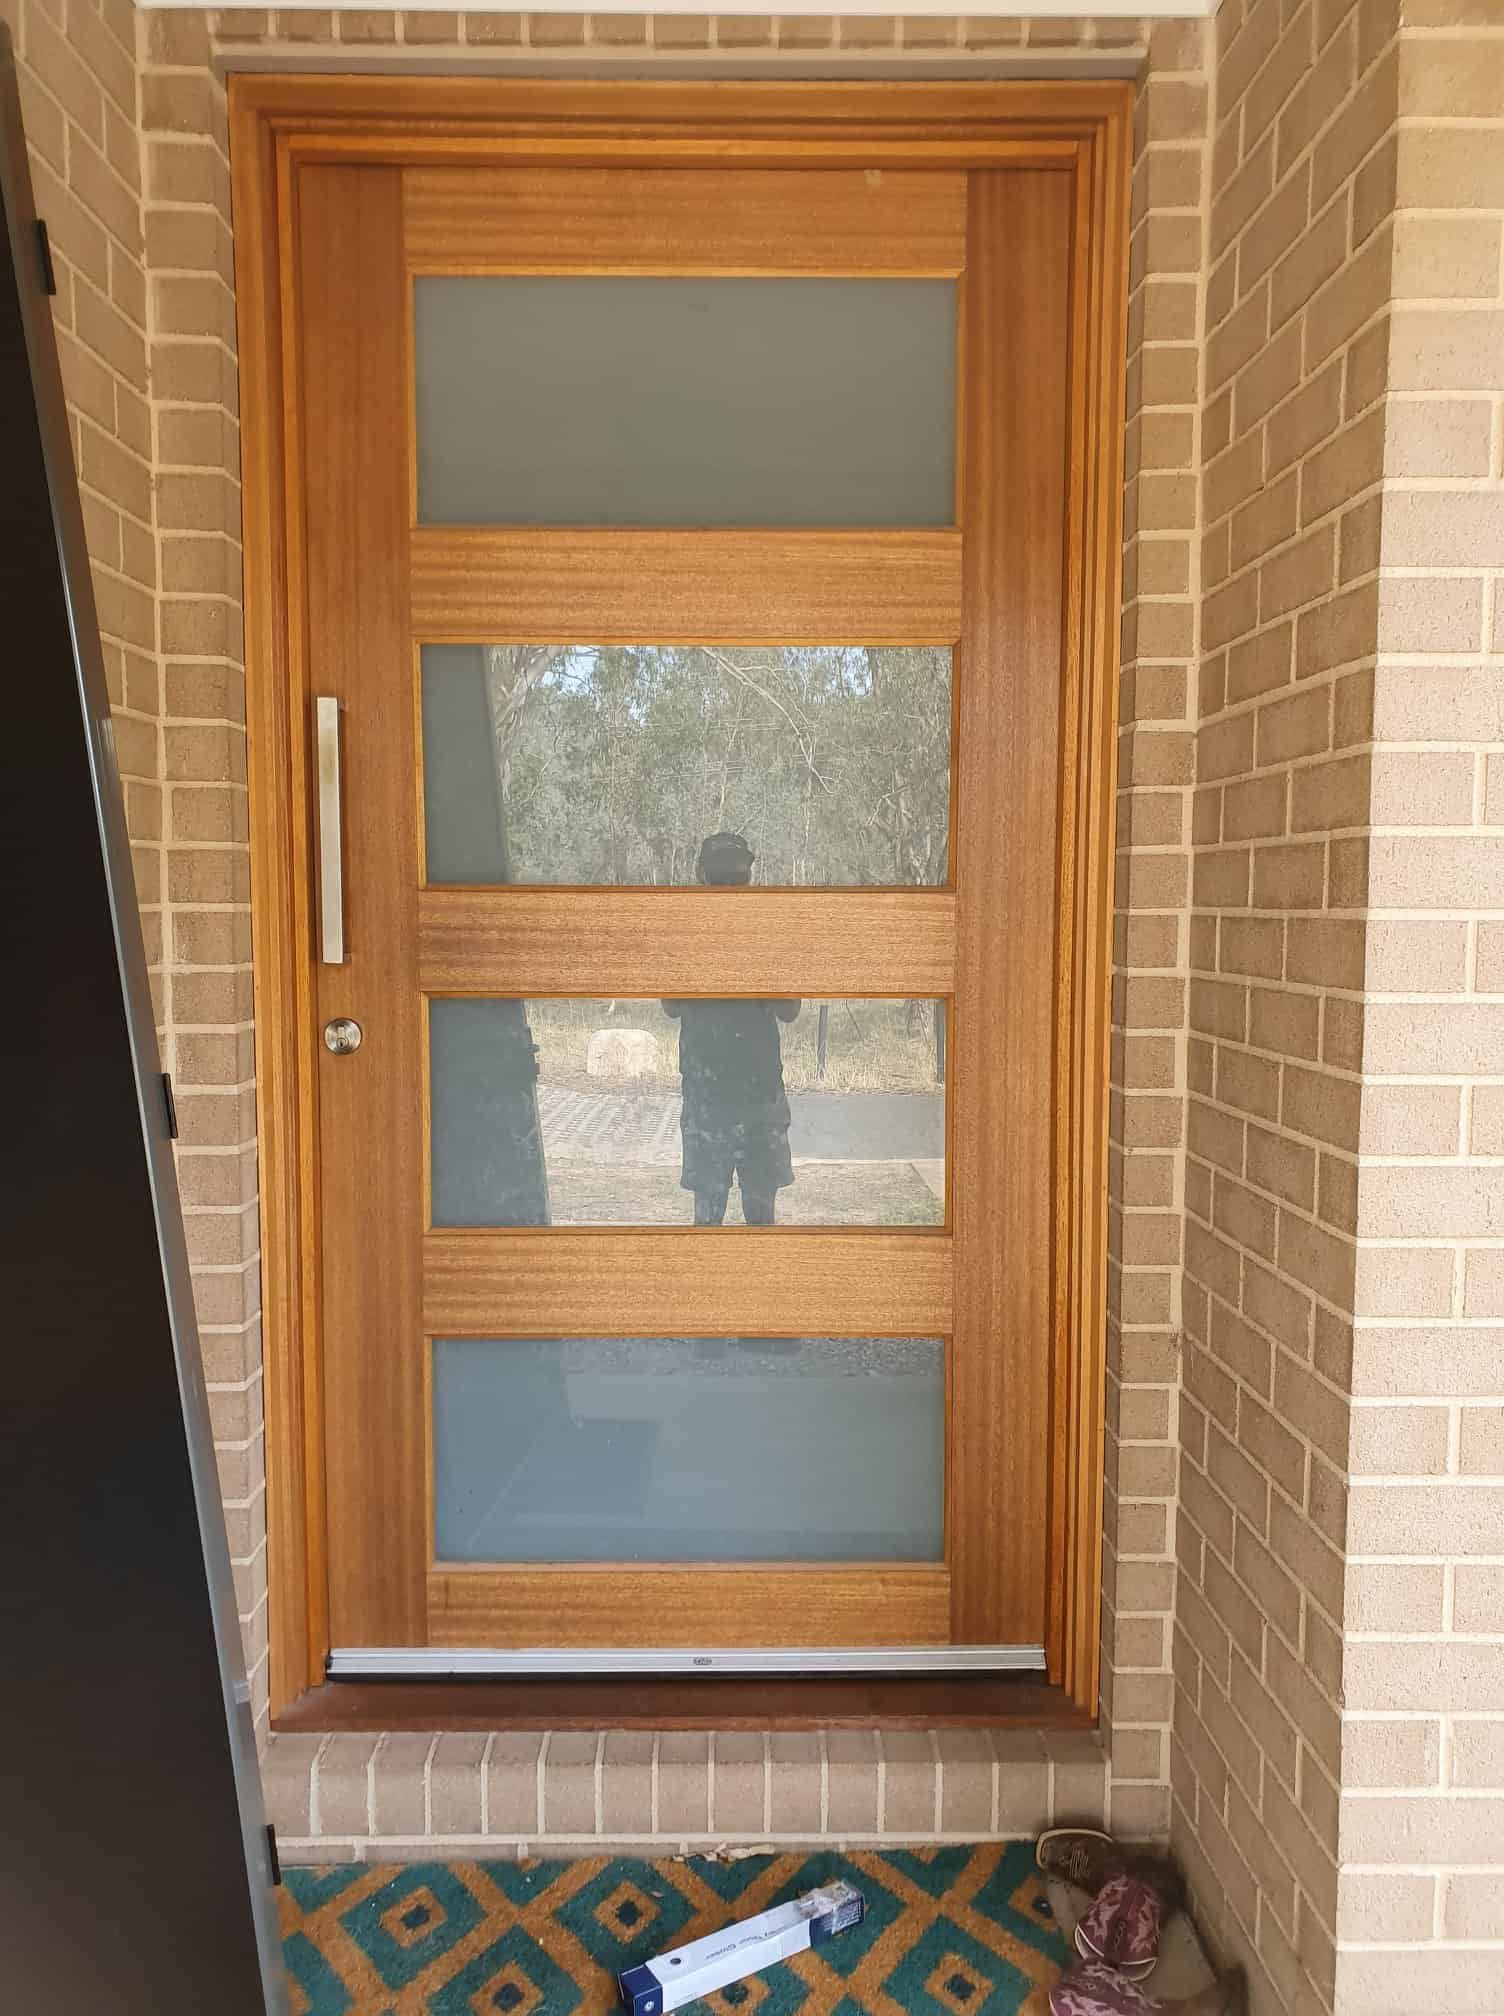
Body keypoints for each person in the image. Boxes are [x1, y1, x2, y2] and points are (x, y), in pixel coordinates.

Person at [663, 832, 799, 1227]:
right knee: (743, 1219)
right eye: (728, 874)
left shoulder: (693, 936)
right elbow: (790, 1009)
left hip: (734, 1099)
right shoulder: (692, 935)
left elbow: (789, 1008)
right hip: (736, 1098)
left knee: (727, 1219)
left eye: (734, 874)